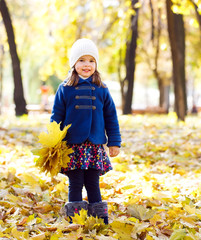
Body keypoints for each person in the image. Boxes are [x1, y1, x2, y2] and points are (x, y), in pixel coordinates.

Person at [50, 38, 121, 225]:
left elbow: (111, 117)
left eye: (91, 60)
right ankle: (75, 219)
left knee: (92, 182)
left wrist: (114, 142)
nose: (86, 65)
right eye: (82, 60)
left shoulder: (102, 89)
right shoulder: (65, 89)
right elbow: (56, 117)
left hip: (94, 145)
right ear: (74, 63)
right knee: (75, 182)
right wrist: (53, 141)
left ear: (96, 64)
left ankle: (99, 219)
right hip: (73, 145)